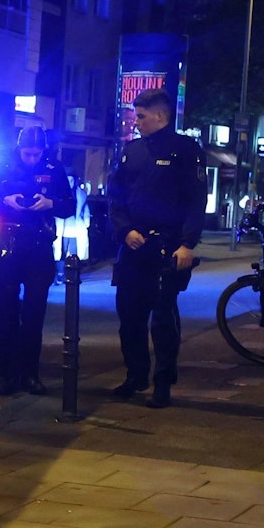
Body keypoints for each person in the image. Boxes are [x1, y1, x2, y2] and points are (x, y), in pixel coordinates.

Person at [106, 88, 205, 409]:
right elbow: (116, 197)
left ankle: (163, 383)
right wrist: (125, 230)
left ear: (160, 116)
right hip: (134, 246)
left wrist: (187, 243)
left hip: (167, 247)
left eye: (141, 116)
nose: (136, 122)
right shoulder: (131, 151)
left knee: (162, 320)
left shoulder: (185, 150)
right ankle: (136, 376)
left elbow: (195, 200)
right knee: (129, 317)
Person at [0, 125, 76, 395]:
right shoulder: (1, 164)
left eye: (36, 154)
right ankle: (8, 376)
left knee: (34, 314)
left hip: (38, 245)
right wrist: (5, 201)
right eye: (27, 154)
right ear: (19, 148)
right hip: (8, 243)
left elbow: (69, 206)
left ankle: (30, 374)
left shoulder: (54, 168)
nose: (32, 159)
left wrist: (49, 204)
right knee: (7, 312)